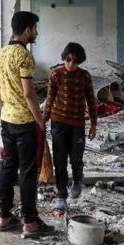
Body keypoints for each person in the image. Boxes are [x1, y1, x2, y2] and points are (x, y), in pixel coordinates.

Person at [0, 11, 54, 238]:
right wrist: (40, 121)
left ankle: (5, 217)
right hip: (25, 123)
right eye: (35, 28)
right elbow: (29, 94)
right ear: (27, 29)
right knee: (28, 172)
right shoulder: (24, 57)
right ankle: (30, 222)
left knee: (8, 167)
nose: (36, 32)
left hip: (7, 121)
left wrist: (4, 108)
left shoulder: (0, 54)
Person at [43, 42, 97, 213]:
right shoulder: (55, 75)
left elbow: (91, 100)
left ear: (80, 61)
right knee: (59, 160)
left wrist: (94, 124)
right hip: (58, 122)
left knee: (76, 157)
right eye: (68, 60)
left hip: (77, 123)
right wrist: (43, 120)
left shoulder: (84, 76)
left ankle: (77, 179)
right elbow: (49, 99)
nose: (71, 64)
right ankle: (61, 196)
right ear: (64, 58)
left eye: (75, 61)